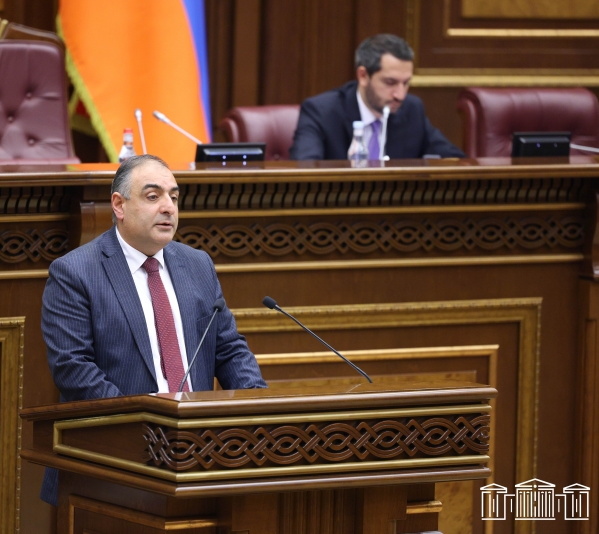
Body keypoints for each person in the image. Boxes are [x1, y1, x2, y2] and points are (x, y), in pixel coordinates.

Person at [39, 154, 267, 505]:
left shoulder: (197, 264)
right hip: (112, 461)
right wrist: (143, 427)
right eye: (153, 196)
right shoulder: (75, 273)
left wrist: (259, 409)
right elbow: (74, 368)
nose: (168, 207)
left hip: (197, 453)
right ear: (119, 205)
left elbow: (229, 349)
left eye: (174, 197)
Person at [290, 34, 465, 161]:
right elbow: (306, 170)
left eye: (406, 83)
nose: (400, 95)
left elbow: (456, 160)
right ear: (363, 76)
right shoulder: (321, 112)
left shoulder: (412, 109)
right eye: (390, 82)